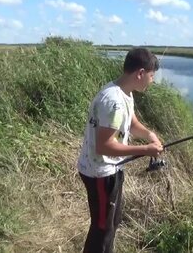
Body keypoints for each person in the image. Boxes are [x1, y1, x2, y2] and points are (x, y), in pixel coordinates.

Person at [77, 47, 163, 253]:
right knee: (102, 229)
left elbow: (132, 124)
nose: (152, 81)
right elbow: (104, 145)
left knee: (112, 222)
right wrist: (145, 150)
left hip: (111, 170)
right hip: (100, 173)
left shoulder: (125, 93)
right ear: (140, 73)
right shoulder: (113, 101)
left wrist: (149, 135)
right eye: (151, 76)